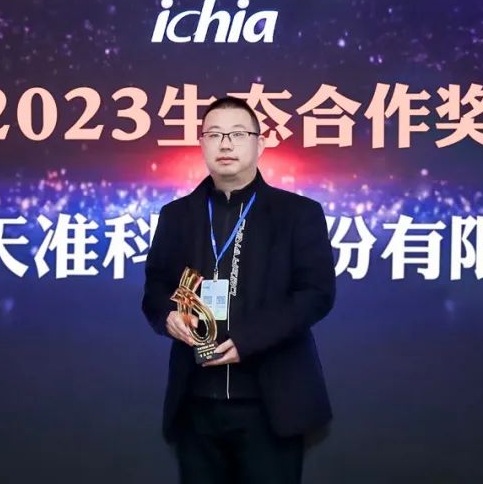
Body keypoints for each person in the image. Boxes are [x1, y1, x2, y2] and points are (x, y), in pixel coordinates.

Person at [141, 96, 337, 484]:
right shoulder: (176, 216)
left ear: (259, 144)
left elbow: (316, 294)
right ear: (201, 144)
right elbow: (155, 288)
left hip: (272, 404)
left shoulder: (298, 214)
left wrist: (247, 340)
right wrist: (167, 316)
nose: (225, 144)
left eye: (237, 134)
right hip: (195, 403)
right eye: (215, 134)